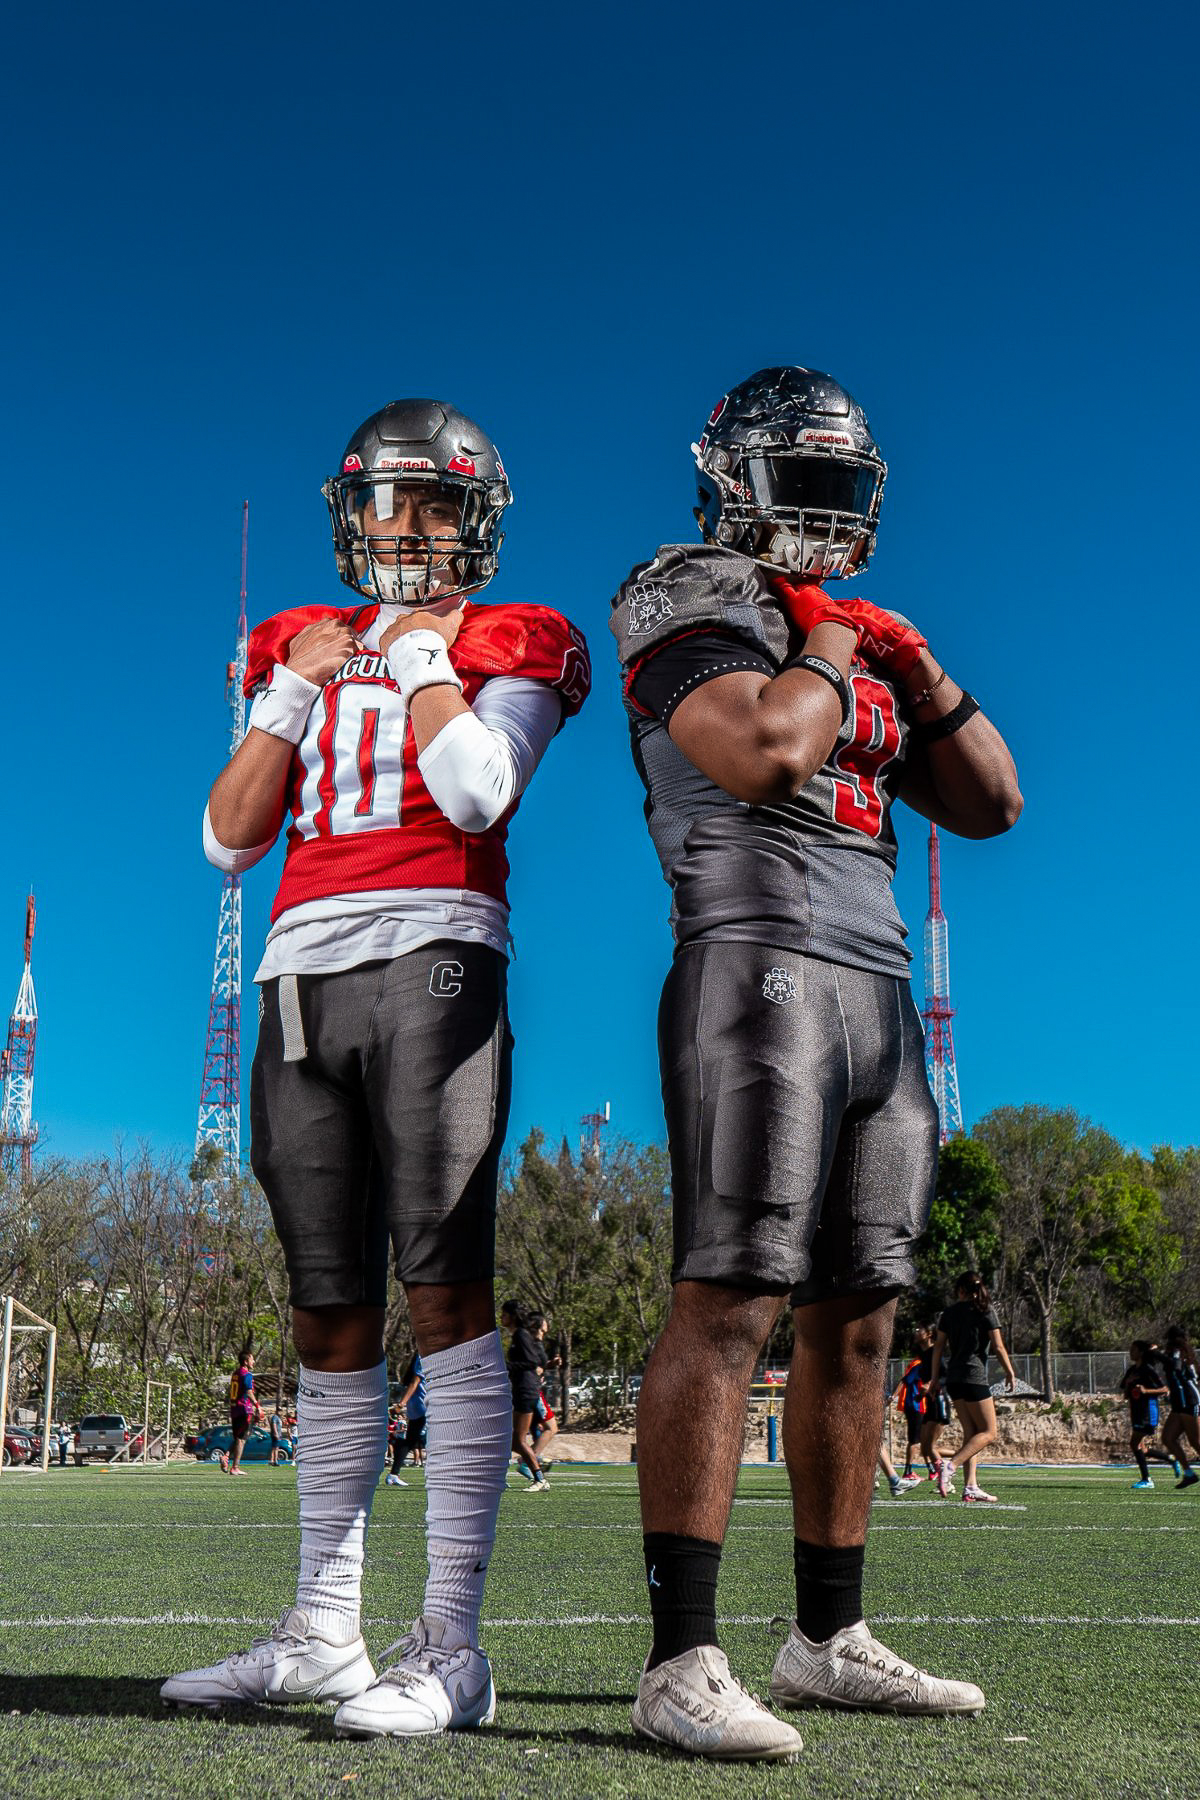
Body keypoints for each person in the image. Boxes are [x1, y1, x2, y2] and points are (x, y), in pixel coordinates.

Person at [609, 366, 1022, 1760]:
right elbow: (772, 752)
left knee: (861, 1318)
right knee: (732, 1299)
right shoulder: (687, 595)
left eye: (851, 491)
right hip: (755, 962)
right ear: (735, 480)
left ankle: (827, 1636)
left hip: (881, 989)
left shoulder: (845, 636)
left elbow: (995, 800)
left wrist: (919, 667)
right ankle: (679, 1661)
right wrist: (838, 651)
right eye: (810, 484)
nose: (832, 517)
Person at [162, 399, 589, 1736]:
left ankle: (452, 1650)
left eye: (436, 504)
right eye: (385, 502)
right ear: (352, 514)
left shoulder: (517, 637)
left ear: (479, 521)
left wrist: (414, 661)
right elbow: (231, 838)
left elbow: (474, 792)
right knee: (327, 1306)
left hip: (437, 949)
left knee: (446, 1286)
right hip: (299, 965)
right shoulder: (291, 642)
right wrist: (301, 686)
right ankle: (322, 1635)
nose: (407, 527)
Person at [928, 1274, 1016, 1502]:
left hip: (954, 1379)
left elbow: (938, 1348)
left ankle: (971, 1486)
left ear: (960, 1290)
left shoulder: (949, 1313)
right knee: (989, 1432)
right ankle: (950, 1466)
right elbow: (998, 1346)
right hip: (974, 1377)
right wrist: (1009, 1371)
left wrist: (935, 1377)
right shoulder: (985, 1311)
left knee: (971, 1433)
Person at [501, 1301, 549, 1491]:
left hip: (526, 1389)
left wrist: (504, 1366)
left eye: (504, 1314)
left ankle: (539, 1479)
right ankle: (537, 1477)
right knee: (514, 1440)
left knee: (518, 1440)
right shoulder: (518, 1335)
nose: (501, 1317)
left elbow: (531, 1362)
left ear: (513, 1316)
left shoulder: (521, 1334)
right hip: (521, 1388)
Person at [1119, 1341, 1174, 1490]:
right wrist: (1128, 1392)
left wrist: (1145, 1391)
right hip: (1136, 1412)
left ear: (1141, 1352)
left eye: (1133, 1349)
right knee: (1140, 1448)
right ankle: (1171, 1459)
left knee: (1135, 1444)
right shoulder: (1132, 1370)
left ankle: (1147, 1479)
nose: (1131, 1352)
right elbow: (1125, 1391)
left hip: (1148, 1412)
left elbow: (1165, 1389)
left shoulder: (1148, 1369)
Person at [893, 1328, 937, 1480]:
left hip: (918, 1405)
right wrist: (893, 1396)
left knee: (921, 1439)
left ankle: (931, 1470)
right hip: (916, 1405)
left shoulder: (919, 1363)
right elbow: (905, 1380)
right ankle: (908, 1472)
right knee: (916, 1440)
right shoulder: (919, 1364)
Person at [1162, 1326, 1200, 1490]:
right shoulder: (1182, 1353)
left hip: (1189, 1401)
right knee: (1168, 1438)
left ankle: (1189, 1473)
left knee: (1196, 1442)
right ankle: (1189, 1474)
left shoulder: (1177, 1352)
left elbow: (1176, 1367)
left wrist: (1156, 1355)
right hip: (1179, 1403)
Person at [219, 1352, 264, 1475]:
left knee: (239, 1437)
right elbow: (249, 1392)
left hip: (234, 1410)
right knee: (241, 1439)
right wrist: (257, 1406)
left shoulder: (235, 1374)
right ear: (245, 1362)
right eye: (252, 1359)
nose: (253, 1362)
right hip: (244, 1409)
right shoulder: (247, 1374)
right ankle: (235, 1467)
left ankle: (226, 1456)